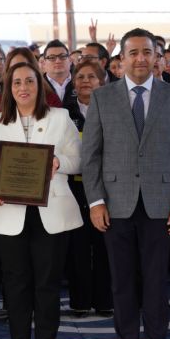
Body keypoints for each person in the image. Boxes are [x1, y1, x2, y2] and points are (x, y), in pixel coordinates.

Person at [82, 28, 170, 339]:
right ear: (121, 59)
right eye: (133, 53)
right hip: (115, 206)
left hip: (161, 205)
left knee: (157, 281)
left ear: (156, 56)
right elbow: (91, 156)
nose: (141, 59)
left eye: (147, 52)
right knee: (122, 281)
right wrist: (96, 201)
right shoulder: (103, 98)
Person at [0, 61, 82, 339]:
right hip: (8, 211)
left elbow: (77, 161)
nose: (23, 88)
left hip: (51, 209)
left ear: (40, 86)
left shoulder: (61, 117)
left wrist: (57, 163)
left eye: (29, 82)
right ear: (8, 89)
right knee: (15, 280)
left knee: (47, 281)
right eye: (16, 83)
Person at [64, 61, 112, 318]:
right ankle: (80, 302)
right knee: (78, 247)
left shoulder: (115, 109)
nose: (85, 81)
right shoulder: (63, 112)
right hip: (73, 187)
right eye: (80, 76)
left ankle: (105, 300)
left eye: (91, 76)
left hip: (107, 189)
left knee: (106, 245)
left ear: (102, 81)